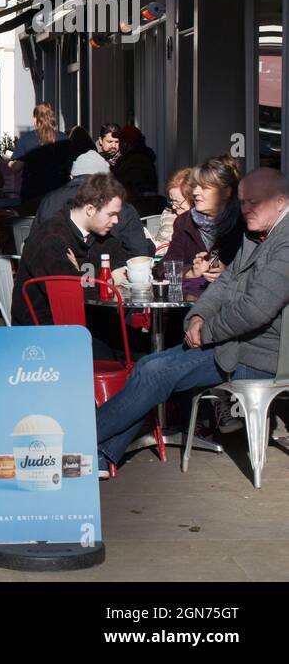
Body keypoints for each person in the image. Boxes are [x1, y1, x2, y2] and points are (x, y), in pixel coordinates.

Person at [96, 168, 289, 467]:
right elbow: (225, 283)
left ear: (280, 201)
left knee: (154, 372)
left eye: (253, 201)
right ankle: (102, 453)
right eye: (242, 202)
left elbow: (256, 309)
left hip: (263, 356)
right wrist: (198, 316)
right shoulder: (258, 233)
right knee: (148, 365)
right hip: (237, 343)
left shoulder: (285, 242)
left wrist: (207, 331)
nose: (245, 208)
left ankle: (77, 440)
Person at [12, 172, 131, 327]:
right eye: (111, 214)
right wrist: (108, 278)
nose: (116, 221)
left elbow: (121, 267)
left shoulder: (103, 237)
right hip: (47, 332)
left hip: (92, 323)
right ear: (90, 209)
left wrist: (80, 275)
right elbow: (69, 294)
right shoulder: (50, 239)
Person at [36, 150, 153, 258]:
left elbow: (34, 245)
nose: (115, 220)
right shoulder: (120, 205)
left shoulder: (48, 200)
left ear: (71, 177)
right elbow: (139, 254)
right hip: (103, 275)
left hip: (50, 273)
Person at [164, 156, 244, 300]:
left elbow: (261, 273)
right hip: (189, 307)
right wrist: (191, 272)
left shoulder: (244, 222)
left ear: (226, 192)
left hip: (232, 306)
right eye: (195, 186)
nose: (195, 192)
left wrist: (227, 272)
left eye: (204, 187)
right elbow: (166, 267)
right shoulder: (184, 222)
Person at [111, 125, 158, 201]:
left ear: (126, 144)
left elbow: (129, 187)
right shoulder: (138, 159)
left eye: (120, 141)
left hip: (136, 207)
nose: (118, 146)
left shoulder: (137, 162)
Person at [155, 167, 194, 249]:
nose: (173, 206)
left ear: (192, 198)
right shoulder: (169, 213)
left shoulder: (204, 220)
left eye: (177, 201)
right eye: (171, 200)